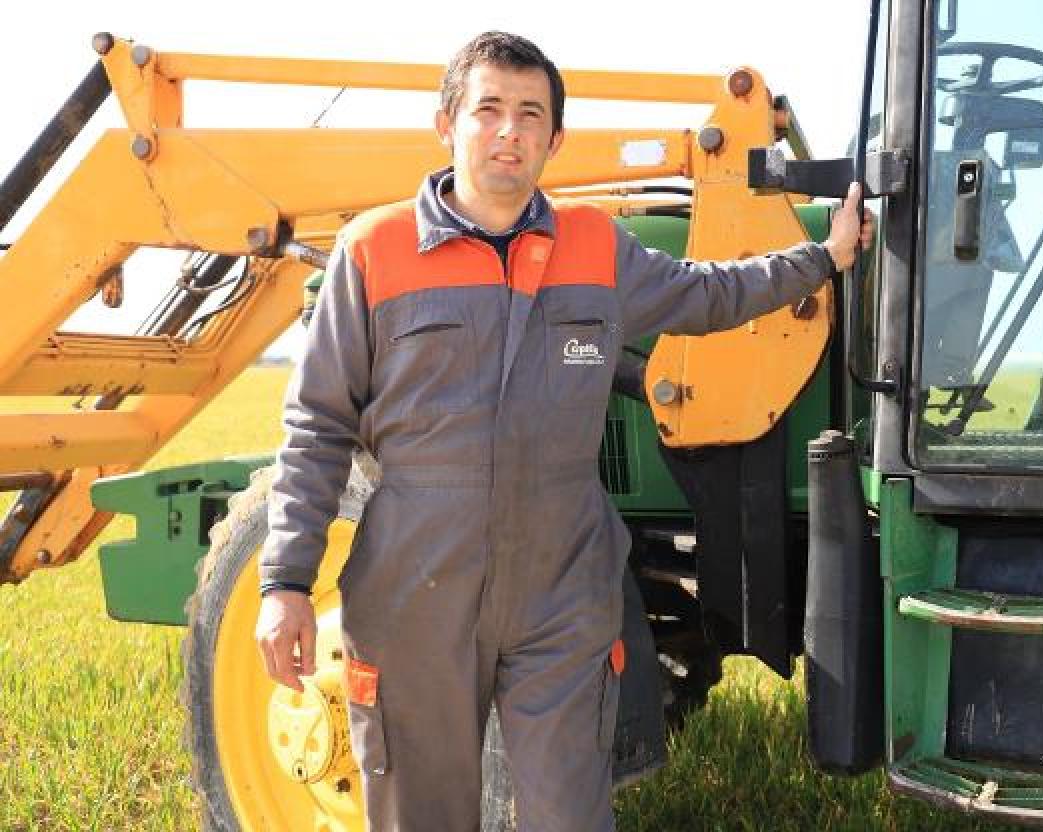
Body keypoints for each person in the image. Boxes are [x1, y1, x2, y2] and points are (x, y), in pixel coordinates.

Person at [255, 30, 875, 832]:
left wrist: (820, 259)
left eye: (529, 114)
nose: (509, 130)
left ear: (555, 138)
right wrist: (285, 583)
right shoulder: (373, 252)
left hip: (561, 591)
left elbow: (710, 294)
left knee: (570, 815)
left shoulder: (596, 247)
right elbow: (317, 424)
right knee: (422, 815)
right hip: (417, 588)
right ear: (447, 124)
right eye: (489, 110)